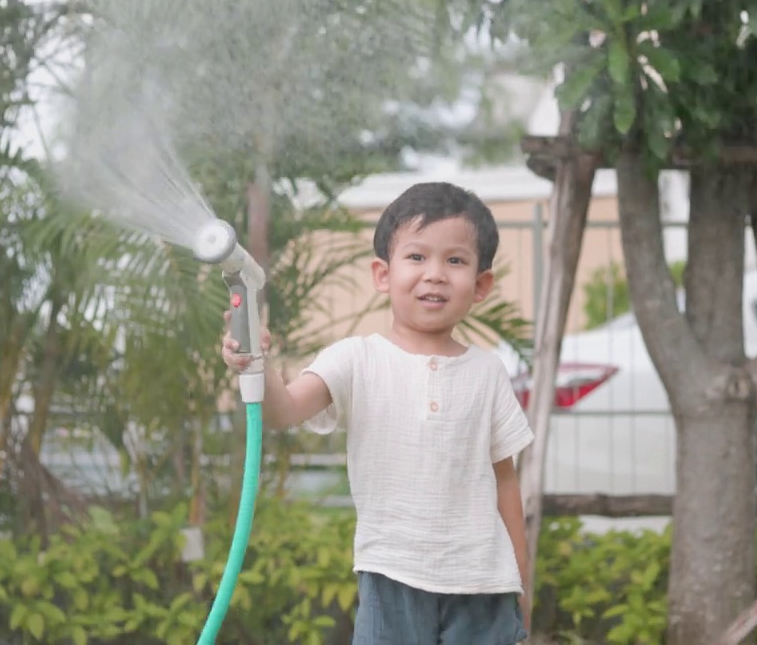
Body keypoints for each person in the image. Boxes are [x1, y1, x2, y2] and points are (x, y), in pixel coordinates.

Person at [221, 181, 535, 644]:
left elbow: (505, 480)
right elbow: (282, 411)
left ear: (481, 284)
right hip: (391, 575)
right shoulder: (355, 359)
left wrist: (521, 580)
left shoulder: (487, 372)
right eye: (416, 257)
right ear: (383, 274)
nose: (435, 274)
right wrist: (254, 362)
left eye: (455, 260)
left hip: (483, 582)